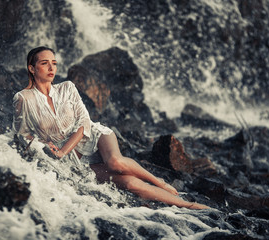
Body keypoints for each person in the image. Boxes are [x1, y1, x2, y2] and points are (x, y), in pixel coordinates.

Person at [12, 46, 209, 210]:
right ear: (32, 67)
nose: (51, 68)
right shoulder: (23, 99)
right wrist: (44, 144)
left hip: (94, 139)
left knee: (115, 161)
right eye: (44, 63)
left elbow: (84, 122)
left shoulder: (67, 87)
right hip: (75, 161)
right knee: (129, 183)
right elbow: (23, 136)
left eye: (54, 63)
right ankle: (187, 205)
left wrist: (63, 150)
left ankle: (161, 183)